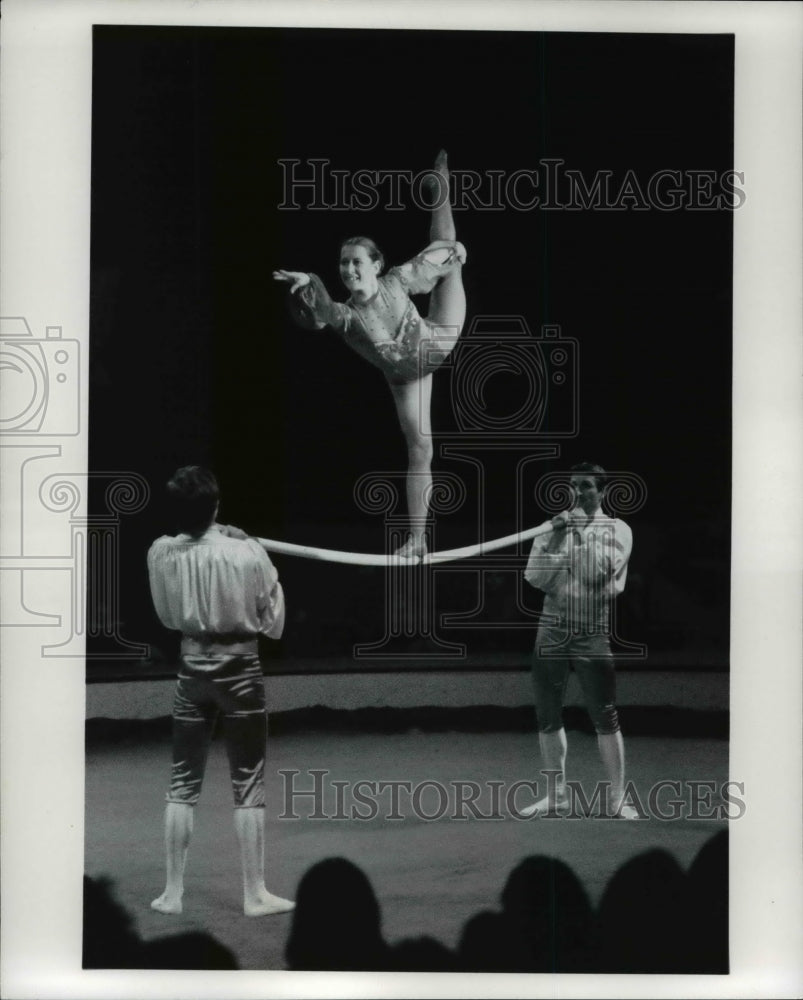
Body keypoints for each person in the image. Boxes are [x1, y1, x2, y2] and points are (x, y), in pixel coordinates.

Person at [273, 150, 467, 560]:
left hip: (438, 335)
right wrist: (310, 279)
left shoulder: (399, 280)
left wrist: (454, 253)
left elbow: (445, 250)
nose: (348, 269)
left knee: (450, 251)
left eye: (356, 262)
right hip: (408, 377)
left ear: (376, 265)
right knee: (421, 449)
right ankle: (417, 539)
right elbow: (323, 311)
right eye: (343, 263)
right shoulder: (346, 317)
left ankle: (441, 188)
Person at [147, 466, 295, 916]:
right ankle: (254, 895)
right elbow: (274, 624)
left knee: (182, 782)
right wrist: (247, 546)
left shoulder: (159, 552)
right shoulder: (247, 552)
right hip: (240, 671)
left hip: (192, 667)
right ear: (216, 507)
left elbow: (169, 619)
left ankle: (172, 894)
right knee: (247, 783)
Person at [522, 462, 638, 819]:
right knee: (546, 714)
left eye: (585, 486)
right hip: (552, 627)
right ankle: (555, 795)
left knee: (604, 715)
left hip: (591, 631)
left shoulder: (618, 530)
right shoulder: (553, 526)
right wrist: (555, 537)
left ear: (602, 492)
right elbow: (535, 578)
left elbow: (593, 577)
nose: (577, 492)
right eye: (573, 485)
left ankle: (618, 798)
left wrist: (573, 537)